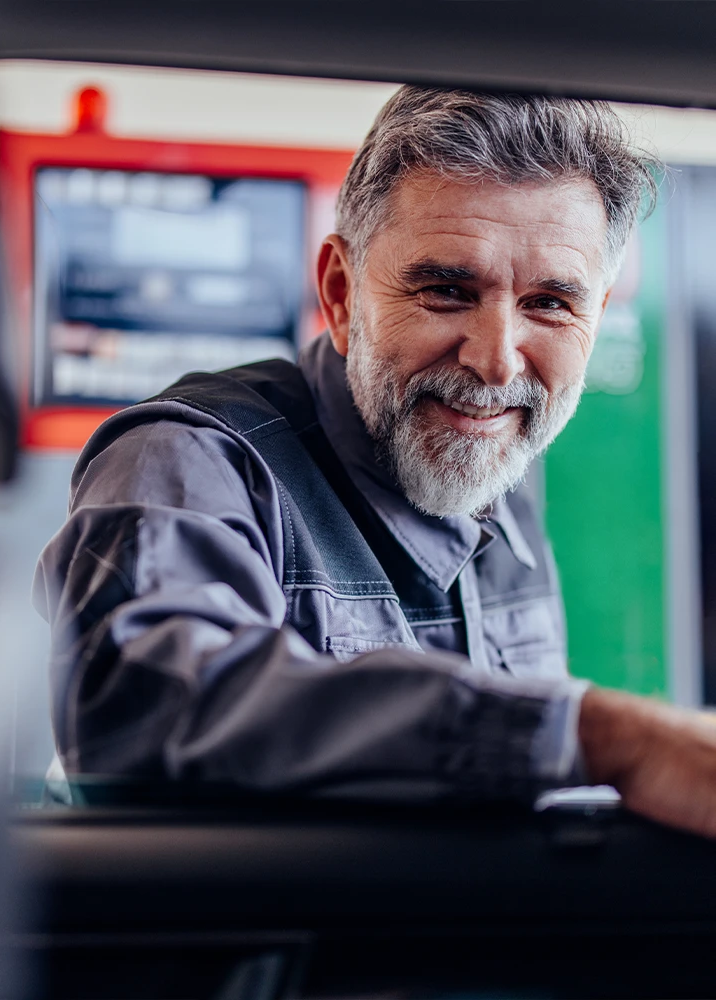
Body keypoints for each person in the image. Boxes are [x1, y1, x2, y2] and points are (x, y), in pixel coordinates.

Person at [35, 87, 716, 837]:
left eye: (551, 303)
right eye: (447, 291)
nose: (496, 363)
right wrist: (600, 737)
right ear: (341, 293)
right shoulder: (193, 460)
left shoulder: (497, 480)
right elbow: (153, 712)